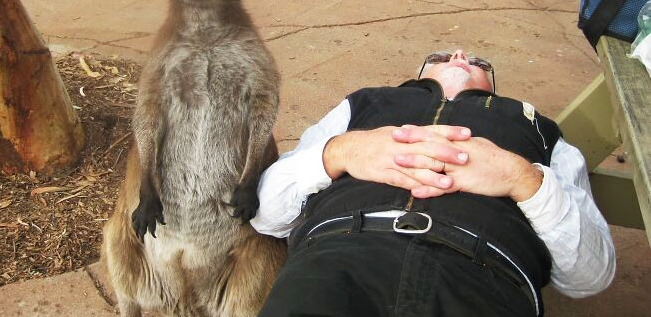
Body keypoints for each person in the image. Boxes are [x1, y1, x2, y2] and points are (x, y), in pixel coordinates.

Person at [250, 49, 615, 317]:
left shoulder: (539, 129)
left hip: (484, 275)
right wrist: (338, 153)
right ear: (418, 74)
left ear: (493, 89)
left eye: (479, 62)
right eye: (441, 55)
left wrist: (521, 177)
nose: (460, 55)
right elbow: (266, 213)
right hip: (337, 260)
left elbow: (590, 275)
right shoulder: (365, 104)